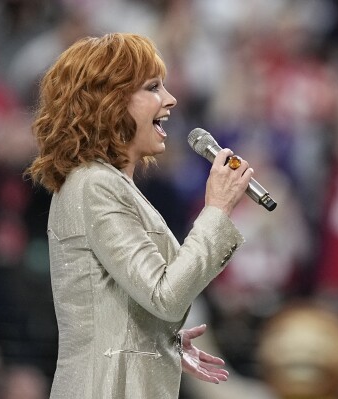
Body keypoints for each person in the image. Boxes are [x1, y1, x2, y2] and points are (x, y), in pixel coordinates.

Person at [25, 32, 254, 399]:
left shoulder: (103, 183)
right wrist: (217, 209)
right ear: (109, 103)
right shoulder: (96, 185)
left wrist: (161, 341)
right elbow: (166, 296)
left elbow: (130, 296)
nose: (170, 98)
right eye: (152, 88)